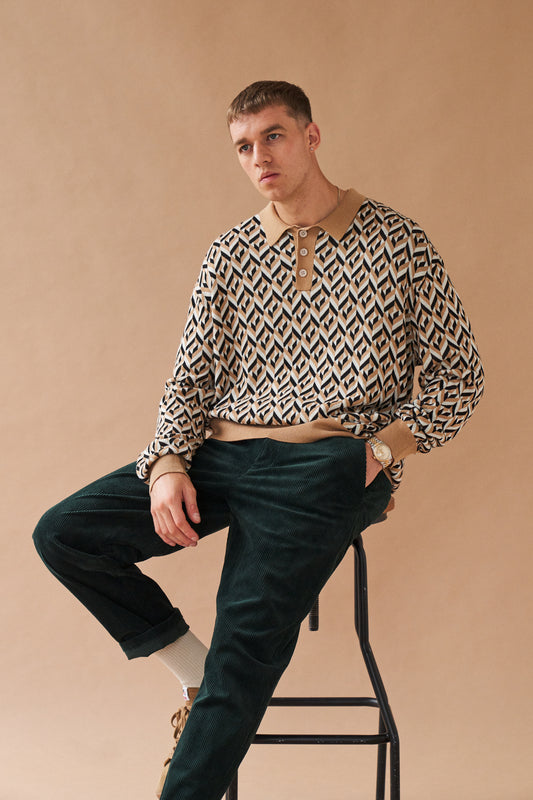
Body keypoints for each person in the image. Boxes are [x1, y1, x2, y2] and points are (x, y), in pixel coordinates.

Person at [33, 80, 484, 800]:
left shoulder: (399, 243)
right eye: (243, 147)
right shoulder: (231, 254)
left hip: (329, 462)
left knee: (244, 650)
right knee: (64, 534)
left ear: (310, 136)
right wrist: (167, 465)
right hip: (224, 453)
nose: (258, 158)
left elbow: (459, 375)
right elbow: (189, 379)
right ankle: (194, 675)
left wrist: (379, 453)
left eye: (273, 136)